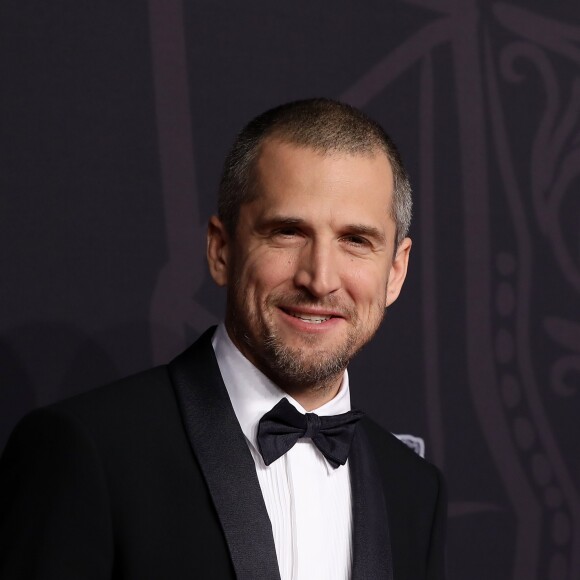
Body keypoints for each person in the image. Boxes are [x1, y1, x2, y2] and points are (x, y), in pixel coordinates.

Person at [0, 98, 446, 579]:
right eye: (288, 232)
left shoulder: (414, 490)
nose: (320, 279)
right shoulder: (87, 451)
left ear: (396, 271)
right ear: (221, 250)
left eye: (356, 240)